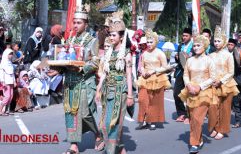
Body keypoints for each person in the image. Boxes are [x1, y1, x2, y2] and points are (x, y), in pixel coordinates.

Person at [63, 11, 103, 154]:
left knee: (86, 113)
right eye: (74, 22)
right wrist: (56, 69)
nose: (75, 25)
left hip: (86, 81)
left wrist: (82, 68)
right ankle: (73, 144)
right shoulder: (69, 40)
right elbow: (64, 59)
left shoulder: (92, 40)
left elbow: (95, 61)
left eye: (79, 23)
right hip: (70, 82)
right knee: (70, 113)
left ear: (85, 25)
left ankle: (97, 134)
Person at [95, 12, 134, 154]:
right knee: (107, 123)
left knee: (112, 124)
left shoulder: (127, 53)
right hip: (107, 90)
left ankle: (110, 151)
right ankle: (121, 149)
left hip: (120, 91)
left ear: (121, 37)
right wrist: (99, 89)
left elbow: (129, 75)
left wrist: (130, 95)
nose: (111, 37)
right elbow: (105, 73)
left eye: (114, 35)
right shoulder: (109, 53)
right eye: (110, 35)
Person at [178, 35, 217, 154]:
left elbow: (213, 78)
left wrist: (200, 86)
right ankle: (198, 139)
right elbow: (185, 75)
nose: (195, 47)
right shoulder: (189, 60)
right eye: (194, 45)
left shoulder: (209, 60)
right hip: (190, 92)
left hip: (204, 92)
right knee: (192, 118)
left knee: (196, 118)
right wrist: (189, 85)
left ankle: (194, 144)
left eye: (198, 45)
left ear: (204, 46)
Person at [136, 30, 171, 130]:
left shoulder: (160, 53)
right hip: (145, 79)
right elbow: (141, 65)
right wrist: (142, 71)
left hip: (157, 79)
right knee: (142, 99)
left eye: (151, 42)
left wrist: (153, 71)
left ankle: (152, 121)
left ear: (155, 42)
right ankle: (143, 120)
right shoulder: (144, 53)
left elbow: (165, 67)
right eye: (148, 42)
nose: (149, 44)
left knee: (154, 101)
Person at [208, 27, 239, 140]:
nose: (216, 43)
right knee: (213, 107)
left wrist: (221, 81)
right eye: (215, 41)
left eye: (219, 41)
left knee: (225, 108)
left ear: (224, 42)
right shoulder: (210, 55)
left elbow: (231, 72)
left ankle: (222, 129)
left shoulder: (228, 55)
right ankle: (215, 127)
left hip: (226, 85)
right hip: (213, 84)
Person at [174, 28, 193, 123]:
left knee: (190, 94)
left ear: (191, 36)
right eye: (183, 35)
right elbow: (179, 59)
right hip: (181, 71)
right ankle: (181, 113)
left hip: (191, 72)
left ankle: (190, 115)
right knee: (176, 93)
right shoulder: (180, 45)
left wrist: (189, 57)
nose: (184, 37)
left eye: (186, 36)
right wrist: (177, 57)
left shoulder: (194, 46)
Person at [0, 48, 16, 116]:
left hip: (11, 81)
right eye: (10, 54)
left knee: (11, 96)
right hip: (6, 81)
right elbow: (1, 73)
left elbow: (12, 73)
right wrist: (2, 81)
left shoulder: (10, 63)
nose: (11, 55)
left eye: (12, 54)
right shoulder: (3, 63)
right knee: (7, 96)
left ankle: (6, 110)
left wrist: (14, 81)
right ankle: (0, 110)